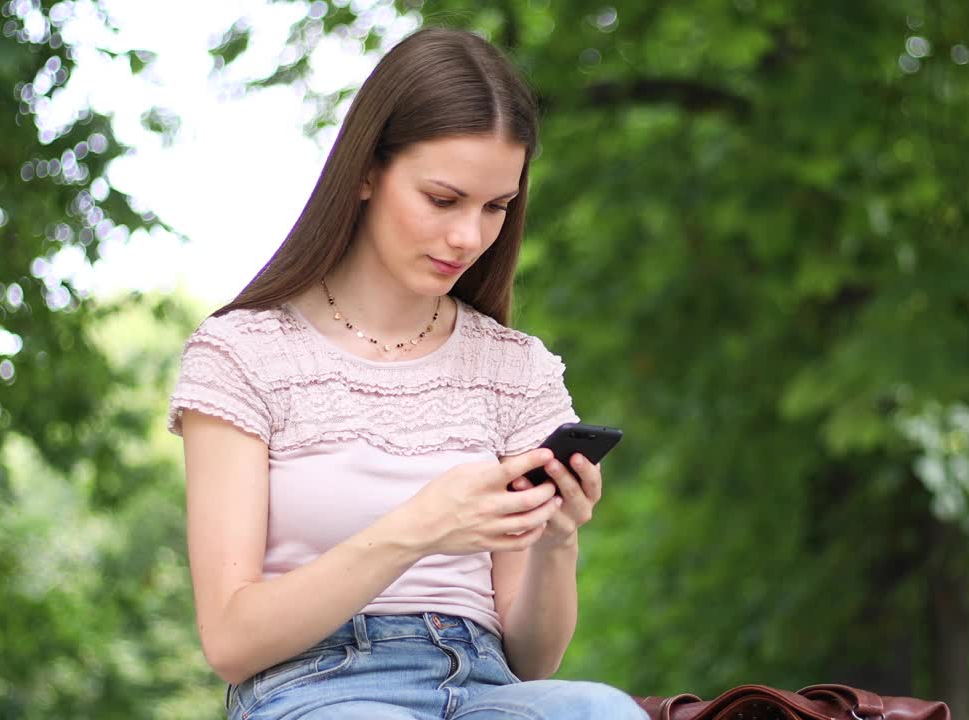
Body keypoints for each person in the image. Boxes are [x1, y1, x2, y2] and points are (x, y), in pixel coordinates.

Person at [166, 26, 647, 720]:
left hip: (486, 689)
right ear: (367, 171)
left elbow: (533, 661)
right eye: (444, 199)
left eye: (496, 208)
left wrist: (555, 540)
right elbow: (231, 641)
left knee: (600, 709)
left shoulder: (516, 370)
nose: (469, 238)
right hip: (317, 689)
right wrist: (418, 527)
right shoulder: (243, 353)